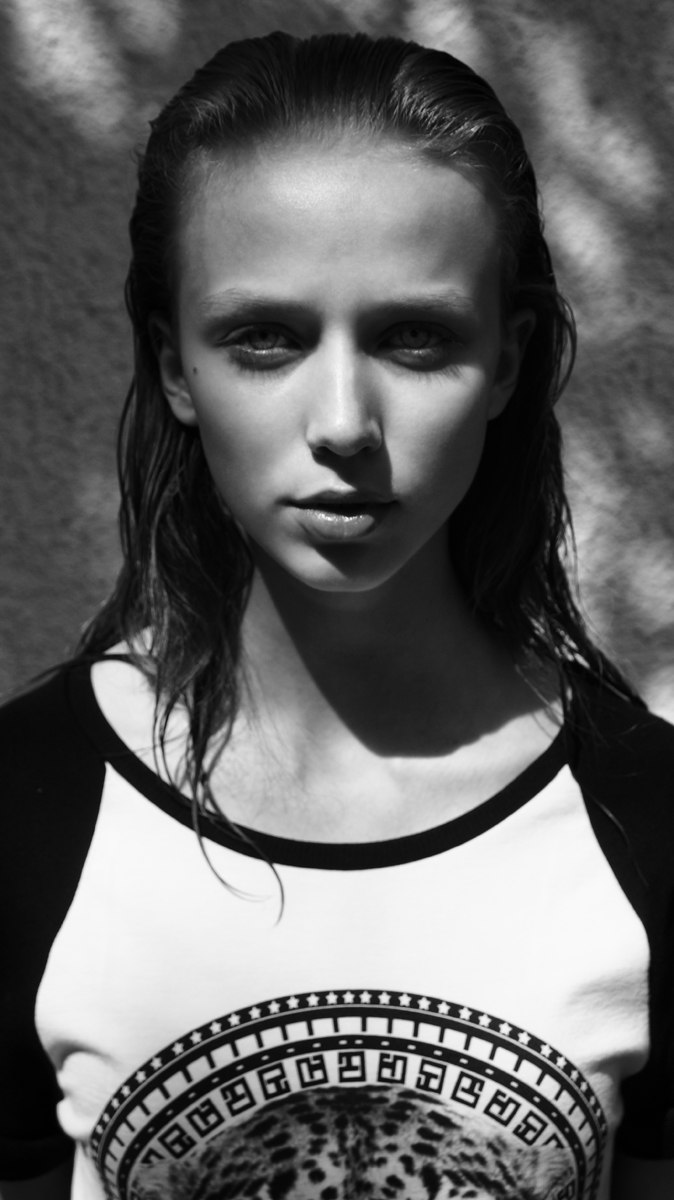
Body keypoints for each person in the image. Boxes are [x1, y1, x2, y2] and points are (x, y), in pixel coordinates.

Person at [1, 29, 672, 1200]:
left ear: (507, 362)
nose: (344, 423)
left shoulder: (649, 818)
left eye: (415, 338)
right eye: (265, 338)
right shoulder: (20, 808)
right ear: (173, 366)